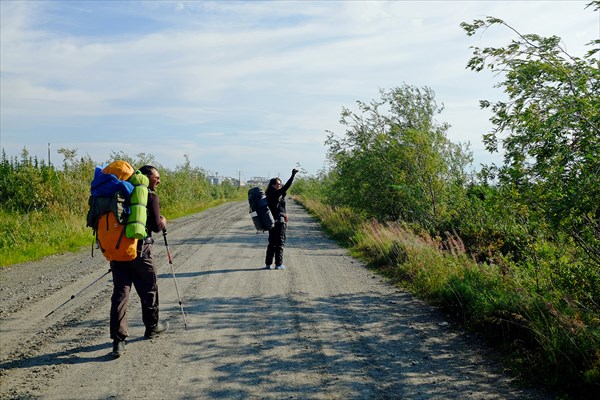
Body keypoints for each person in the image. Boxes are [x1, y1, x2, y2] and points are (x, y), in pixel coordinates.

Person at [110, 165, 168, 357]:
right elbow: (156, 226)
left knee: (120, 294)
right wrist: (163, 221)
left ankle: (118, 341)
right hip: (141, 250)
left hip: (119, 252)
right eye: (156, 177)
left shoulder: (118, 194)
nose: (158, 181)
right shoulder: (149, 197)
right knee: (148, 288)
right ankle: (152, 327)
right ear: (145, 176)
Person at [264, 169, 299, 270]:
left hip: (271, 222)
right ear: (272, 185)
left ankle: (268, 264)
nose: (279, 185)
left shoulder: (269, 195)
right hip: (279, 222)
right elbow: (287, 186)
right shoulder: (275, 194)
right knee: (280, 243)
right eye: (277, 184)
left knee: (271, 243)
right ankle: (278, 264)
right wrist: (292, 175)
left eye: (280, 184)